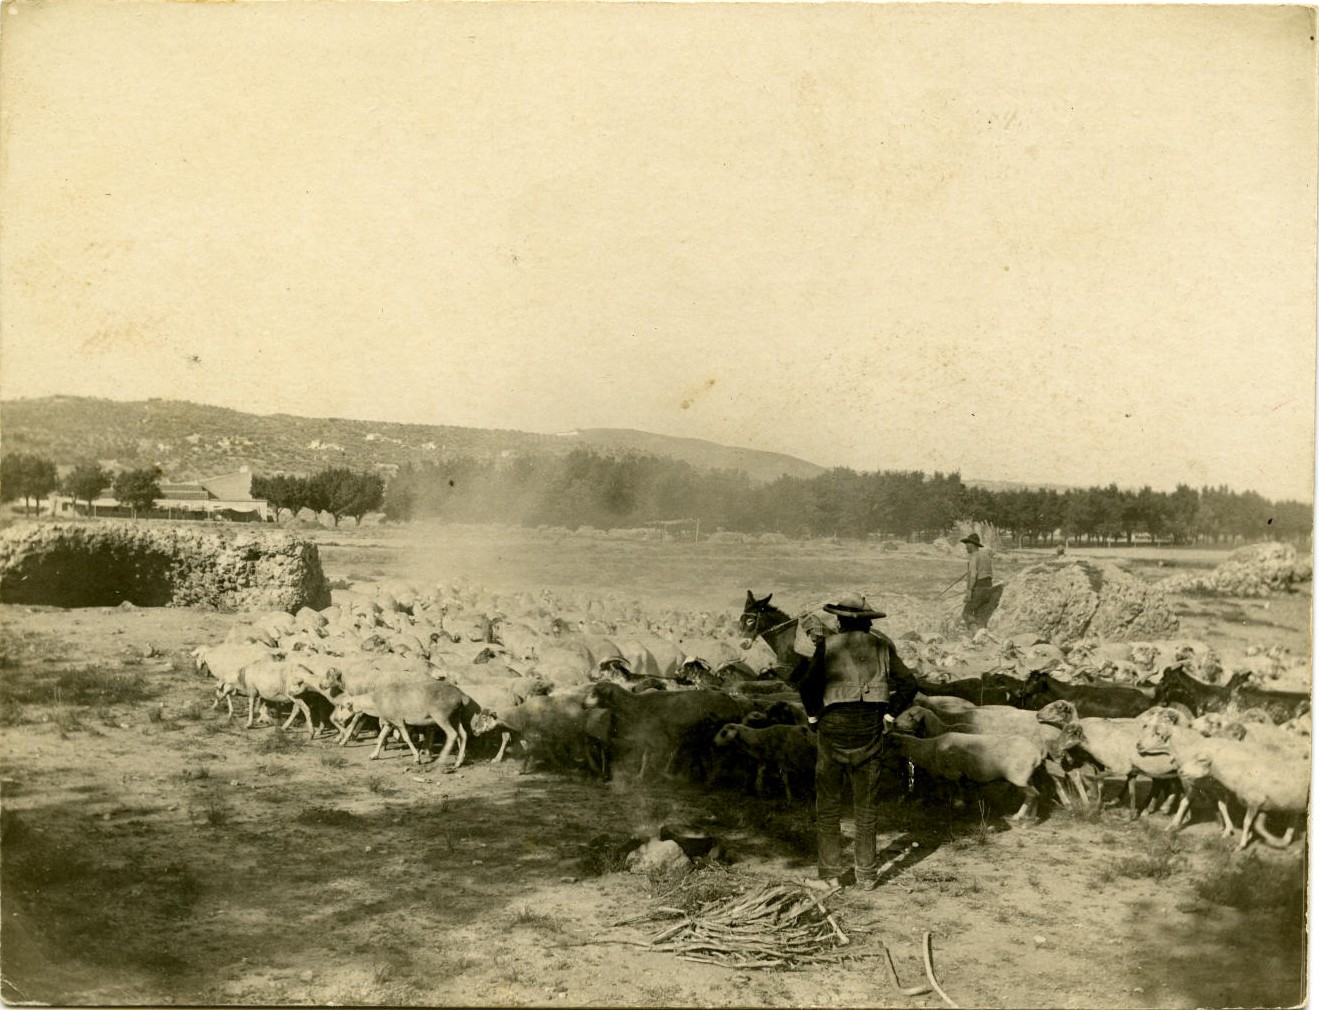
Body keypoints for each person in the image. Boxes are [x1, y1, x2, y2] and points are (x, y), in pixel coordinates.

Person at [792, 594, 919, 891]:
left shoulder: (829, 645)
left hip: (833, 728)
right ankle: (867, 876)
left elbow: (807, 685)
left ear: (839, 621)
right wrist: (890, 716)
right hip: (870, 729)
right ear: (867, 622)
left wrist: (812, 718)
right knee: (866, 808)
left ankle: (831, 877)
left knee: (828, 807)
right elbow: (910, 684)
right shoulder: (883, 647)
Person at [960, 532, 995, 631]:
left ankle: (975, 636)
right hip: (989, 588)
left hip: (979, 588)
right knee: (979, 615)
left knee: (967, 613)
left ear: (971, 545)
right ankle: (982, 636)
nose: (966, 547)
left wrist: (968, 592)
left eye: (967, 544)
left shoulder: (973, 557)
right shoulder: (986, 556)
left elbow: (972, 576)